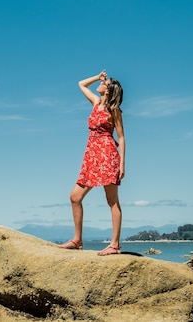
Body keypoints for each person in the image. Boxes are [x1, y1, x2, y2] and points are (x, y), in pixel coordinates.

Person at [58, 70, 125, 255]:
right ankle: (77, 240)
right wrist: (97, 77)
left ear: (109, 90)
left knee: (112, 201)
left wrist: (122, 164)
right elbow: (81, 83)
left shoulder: (115, 111)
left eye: (106, 82)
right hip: (91, 156)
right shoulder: (96, 103)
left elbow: (121, 137)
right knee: (75, 197)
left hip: (107, 155)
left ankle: (114, 245)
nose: (103, 82)